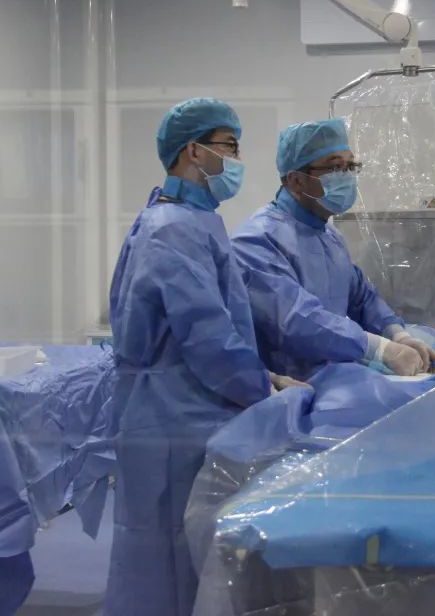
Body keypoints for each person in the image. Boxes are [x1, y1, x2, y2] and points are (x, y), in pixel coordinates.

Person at [105, 98, 294, 616]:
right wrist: (263, 390)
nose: (237, 159)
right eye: (230, 146)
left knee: (168, 552)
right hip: (175, 420)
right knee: (170, 559)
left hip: (177, 410)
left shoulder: (187, 219)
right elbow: (207, 337)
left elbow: (208, 325)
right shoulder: (175, 228)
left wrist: (265, 374)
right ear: (193, 151)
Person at [231, 119, 435, 381]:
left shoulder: (329, 236)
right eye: (334, 167)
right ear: (296, 180)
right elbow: (296, 321)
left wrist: (397, 334)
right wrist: (379, 350)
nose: (347, 177)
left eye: (350, 166)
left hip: (333, 376)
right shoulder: (256, 241)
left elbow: (361, 297)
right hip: (291, 389)